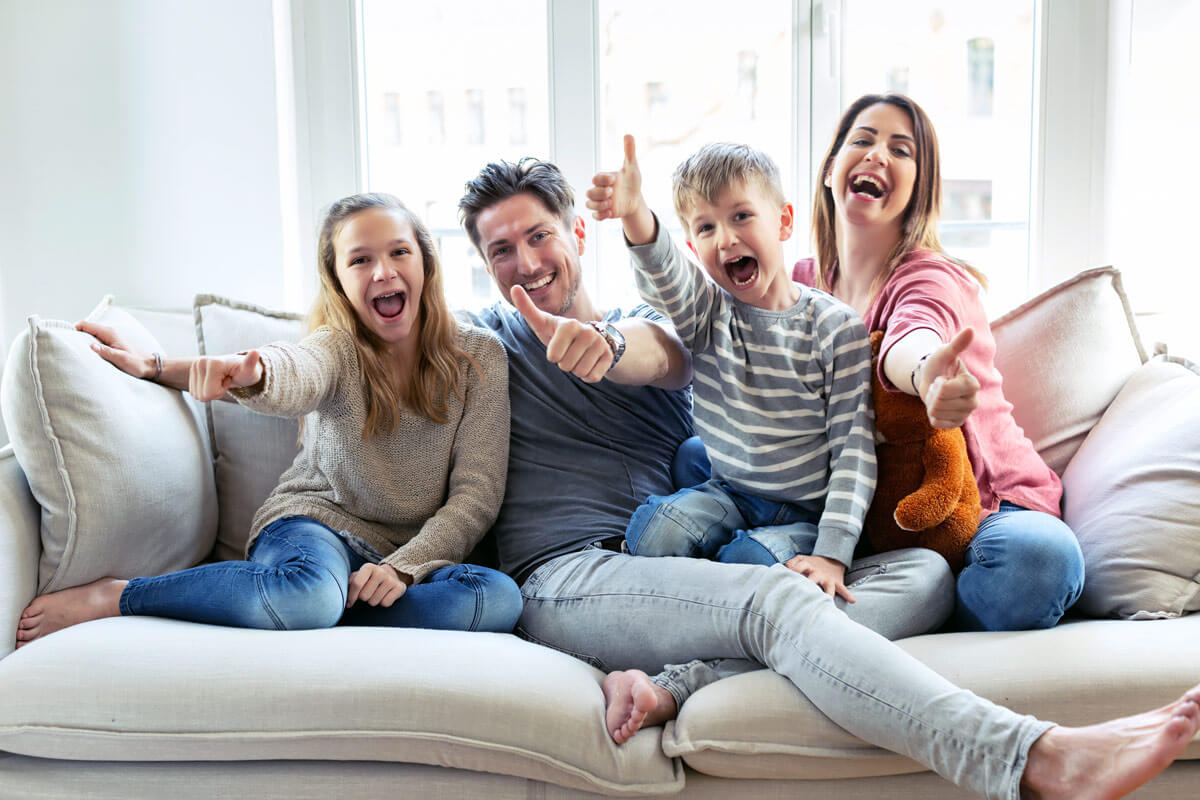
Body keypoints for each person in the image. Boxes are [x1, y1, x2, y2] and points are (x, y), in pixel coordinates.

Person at [458, 156, 1200, 799]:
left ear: (576, 234)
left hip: (691, 576)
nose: (525, 263)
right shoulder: (483, 344)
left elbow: (653, 349)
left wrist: (609, 346)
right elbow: (386, 340)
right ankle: (1032, 758)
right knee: (775, 601)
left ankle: (683, 682)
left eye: (538, 236)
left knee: (925, 574)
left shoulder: (667, 322)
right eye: (500, 251)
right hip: (574, 575)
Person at [15, 193, 522, 645]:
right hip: (318, 528)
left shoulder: (480, 357)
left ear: (426, 264)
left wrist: (404, 568)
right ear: (341, 283)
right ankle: (121, 596)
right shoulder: (336, 347)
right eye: (360, 260)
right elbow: (293, 372)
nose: (382, 272)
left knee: (494, 599)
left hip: (410, 557)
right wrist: (252, 373)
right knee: (305, 593)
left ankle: (319, 610)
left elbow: (476, 495)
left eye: (398, 252)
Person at [789, 92, 1084, 632]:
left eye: (901, 150)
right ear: (830, 168)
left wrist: (927, 377)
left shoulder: (930, 276)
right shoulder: (799, 285)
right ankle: (910, 590)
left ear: (918, 187)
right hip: (875, 523)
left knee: (1040, 566)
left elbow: (913, 334)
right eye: (863, 139)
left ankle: (925, 594)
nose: (878, 155)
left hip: (994, 512)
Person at [592, 135, 879, 606]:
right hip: (730, 491)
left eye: (741, 216)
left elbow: (854, 450)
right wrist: (634, 214)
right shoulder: (706, 313)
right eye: (706, 228)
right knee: (652, 534)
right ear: (692, 244)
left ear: (784, 221)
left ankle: (720, 580)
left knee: (745, 564)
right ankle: (696, 585)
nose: (725, 238)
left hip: (805, 513)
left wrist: (833, 553)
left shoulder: (835, 327)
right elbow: (667, 273)